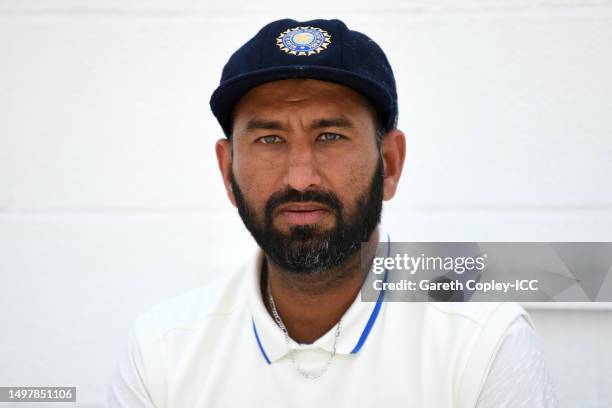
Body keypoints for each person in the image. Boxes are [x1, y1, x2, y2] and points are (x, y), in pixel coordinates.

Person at [107, 18, 558, 407]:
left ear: (390, 164)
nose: (300, 177)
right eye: (269, 139)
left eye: (330, 136)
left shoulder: (483, 340)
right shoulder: (163, 349)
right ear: (228, 171)